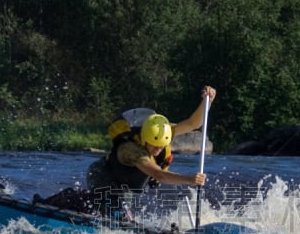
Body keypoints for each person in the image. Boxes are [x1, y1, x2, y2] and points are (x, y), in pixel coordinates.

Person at [37, 86, 216, 218]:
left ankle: (74, 203)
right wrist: (189, 179)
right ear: (145, 139)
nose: (158, 150)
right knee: (114, 214)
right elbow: (158, 174)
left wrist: (207, 101)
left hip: (124, 185)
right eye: (154, 146)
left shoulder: (163, 133)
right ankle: (54, 204)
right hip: (102, 175)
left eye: (162, 146)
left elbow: (193, 123)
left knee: (114, 214)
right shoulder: (131, 150)